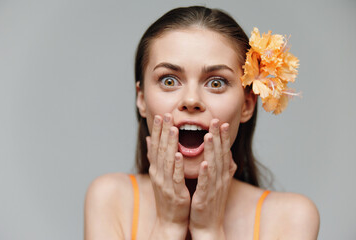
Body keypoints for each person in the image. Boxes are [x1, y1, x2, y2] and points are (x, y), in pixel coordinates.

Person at [84, 6, 320, 240]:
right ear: (142, 99)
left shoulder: (291, 217)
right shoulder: (109, 199)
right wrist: (169, 225)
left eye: (216, 83)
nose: (191, 100)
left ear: (247, 104)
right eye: (169, 80)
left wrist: (209, 231)